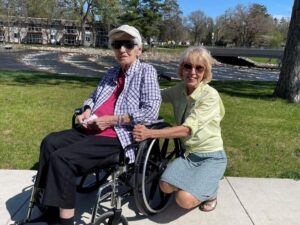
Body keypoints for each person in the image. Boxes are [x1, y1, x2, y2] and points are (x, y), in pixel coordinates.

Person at [25, 24, 161, 225]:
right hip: (91, 127)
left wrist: (113, 120)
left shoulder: (146, 72)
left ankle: (65, 222)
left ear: (138, 49)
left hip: (117, 135)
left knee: (63, 159)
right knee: (49, 142)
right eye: (117, 44)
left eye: (128, 44)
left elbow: (151, 111)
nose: (122, 49)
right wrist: (86, 110)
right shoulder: (111, 72)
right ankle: (51, 210)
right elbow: (93, 97)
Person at [133, 46, 227, 212]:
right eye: (187, 66)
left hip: (211, 156)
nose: (192, 72)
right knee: (164, 185)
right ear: (181, 68)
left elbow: (186, 130)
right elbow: (155, 96)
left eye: (199, 68)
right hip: (189, 154)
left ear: (205, 72)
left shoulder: (210, 96)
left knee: (183, 199)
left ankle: (211, 191)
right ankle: (197, 182)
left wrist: (150, 133)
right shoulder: (179, 90)